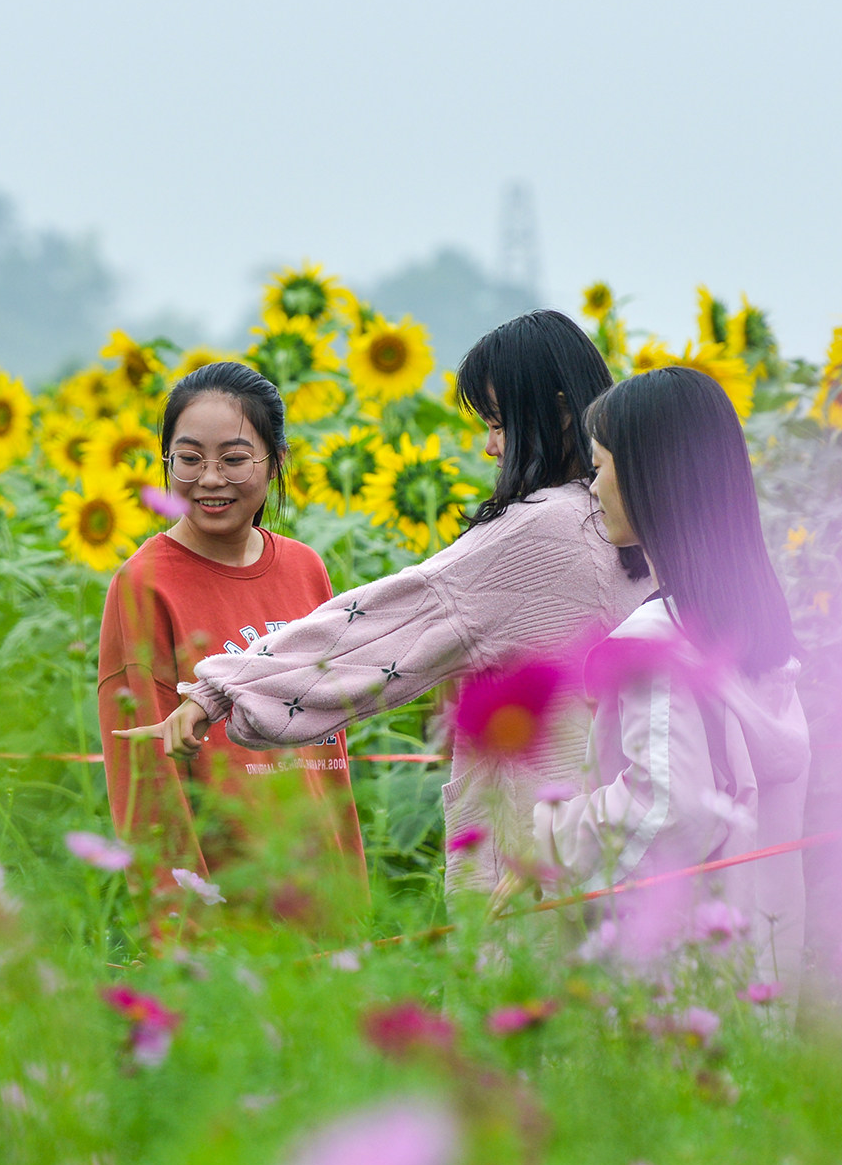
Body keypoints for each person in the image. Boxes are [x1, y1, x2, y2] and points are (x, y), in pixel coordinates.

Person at [121, 310, 642, 893]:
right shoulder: (629, 523)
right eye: (189, 459)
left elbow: (386, 625)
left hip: (529, 876)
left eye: (499, 423)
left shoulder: (542, 530)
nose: (491, 446)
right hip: (624, 860)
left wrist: (222, 689)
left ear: (561, 410)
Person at [530, 363, 808, 985]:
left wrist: (546, 836)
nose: (592, 488)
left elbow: (667, 806)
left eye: (598, 467)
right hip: (761, 968)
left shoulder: (655, 645)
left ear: (648, 477)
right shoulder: (760, 642)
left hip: (675, 989)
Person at [95, 361, 366, 913]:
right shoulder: (144, 585)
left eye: (235, 459)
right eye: (189, 459)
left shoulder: (305, 569)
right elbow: (145, 783)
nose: (210, 479)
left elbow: (328, 747)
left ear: (275, 463)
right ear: (166, 462)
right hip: (228, 912)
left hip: (322, 892)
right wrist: (183, 927)